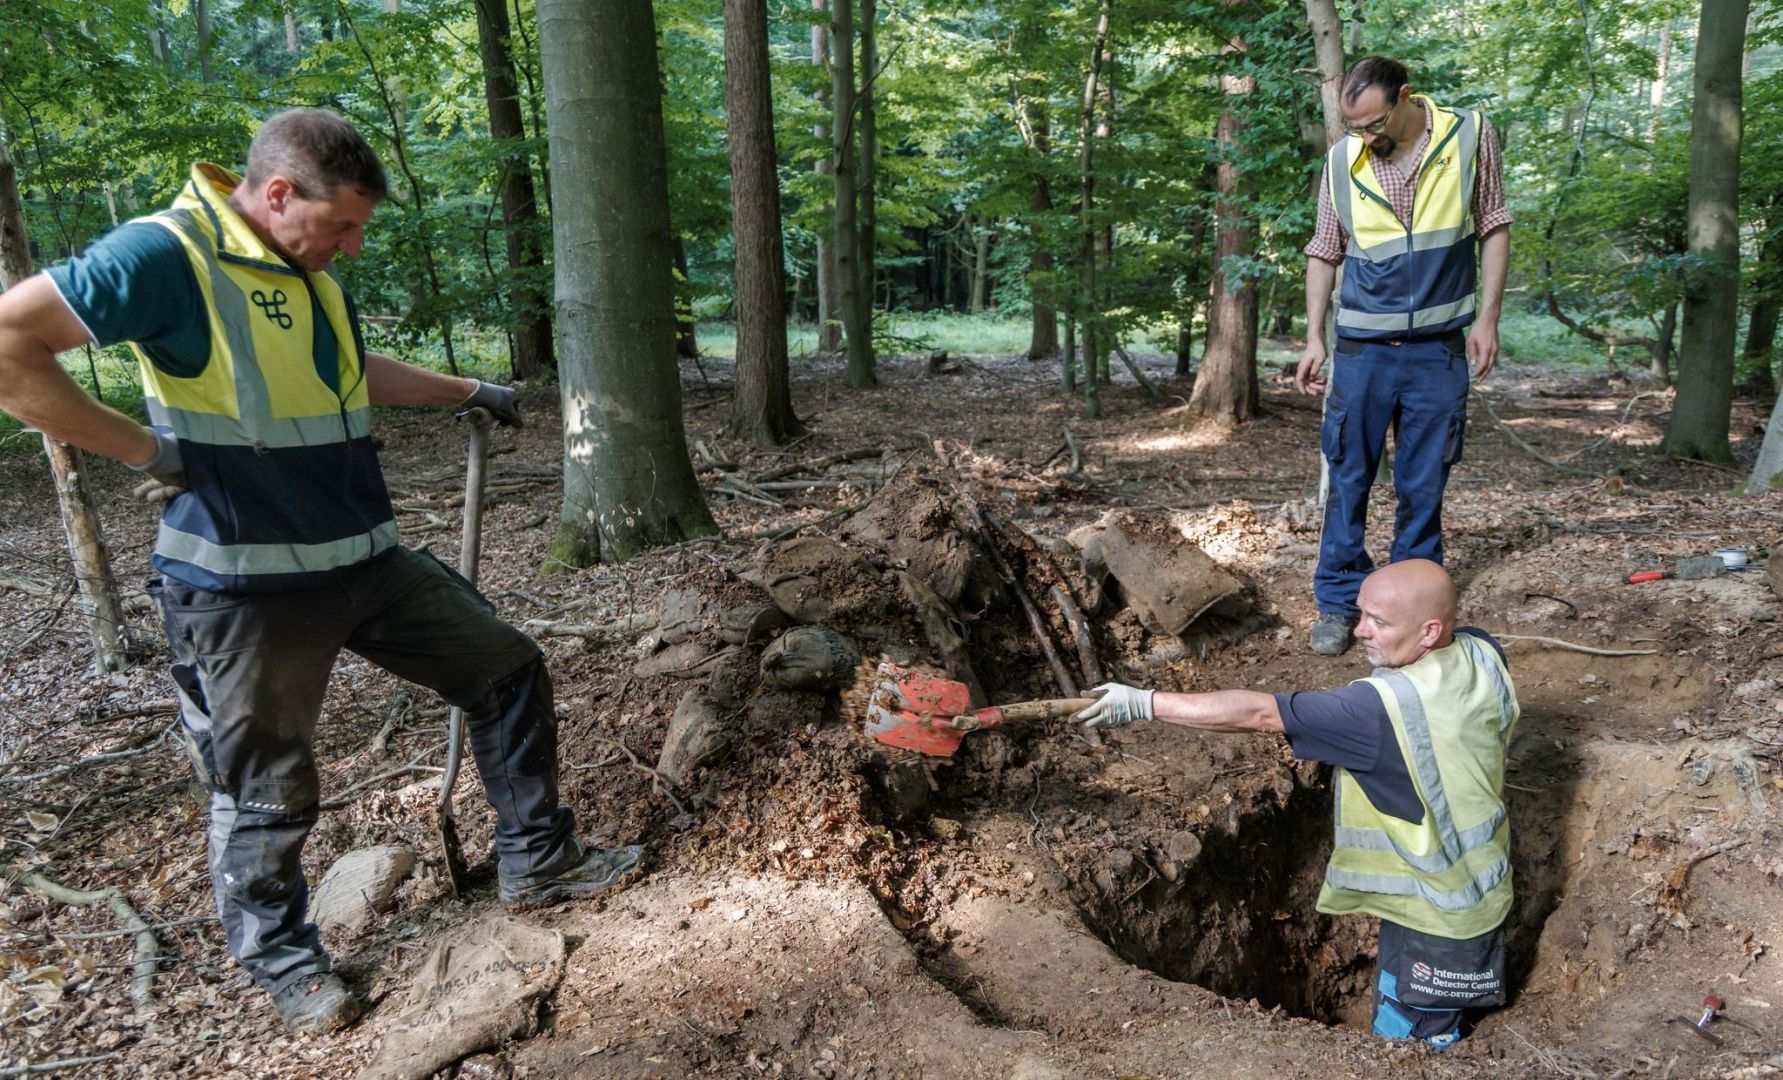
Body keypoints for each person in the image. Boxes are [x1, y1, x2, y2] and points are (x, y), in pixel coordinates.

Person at [0, 109, 641, 1034]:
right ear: (276, 194)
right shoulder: (168, 254)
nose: (350, 245)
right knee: (264, 783)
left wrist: (466, 390)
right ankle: (288, 967)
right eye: (340, 225)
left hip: (361, 561)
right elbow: (11, 342)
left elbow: (348, 369)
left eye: (359, 229)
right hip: (241, 585)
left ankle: (537, 861)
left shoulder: (306, 273)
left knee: (504, 668)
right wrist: (142, 450)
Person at [1074, 559, 1519, 1048]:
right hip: (1475, 887)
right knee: (1412, 1007)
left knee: (1413, 1043)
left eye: (1379, 622)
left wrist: (1144, 702)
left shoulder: (1377, 709)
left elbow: (1259, 712)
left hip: (1441, 920)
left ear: (1431, 630)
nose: (1360, 631)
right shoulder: (1481, 651)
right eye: (1360, 613)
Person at [1295, 57, 1512, 656]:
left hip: (1439, 350)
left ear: (1405, 98)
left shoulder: (1470, 134)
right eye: (1354, 127)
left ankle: (1412, 612)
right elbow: (1323, 248)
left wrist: (1488, 319)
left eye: (1373, 123)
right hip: (1362, 351)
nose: (1365, 137)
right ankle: (1340, 603)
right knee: (1349, 479)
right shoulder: (1342, 161)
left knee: (1424, 484)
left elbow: (1493, 224)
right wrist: (1315, 336)